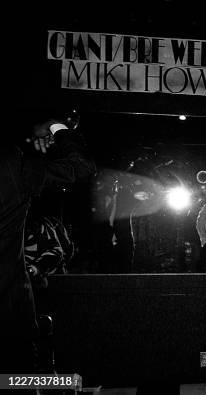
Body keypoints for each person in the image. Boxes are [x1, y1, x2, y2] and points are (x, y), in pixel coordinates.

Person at [0, 117, 95, 373]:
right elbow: (80, 168)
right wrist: (56, 127)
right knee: (19, 382)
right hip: (8, 319)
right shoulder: (11, 167)